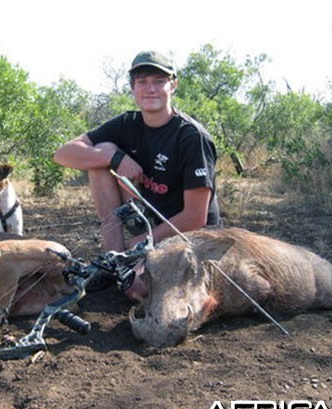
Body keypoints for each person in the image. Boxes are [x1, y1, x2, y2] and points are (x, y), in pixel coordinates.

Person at [54, 50, 221, 297]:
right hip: (147, 222)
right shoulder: (127, 123)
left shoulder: (192, 137)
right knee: (102, 151)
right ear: (133, 87)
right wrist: (116, 158)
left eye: (159, 81)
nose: (150, 88)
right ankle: (114, 261)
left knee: (139, 289)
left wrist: (140, 242)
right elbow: (63, 153)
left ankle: (130, 263)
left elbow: (195, 216)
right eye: (142, 82)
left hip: (188, 234)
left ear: (173, 84)